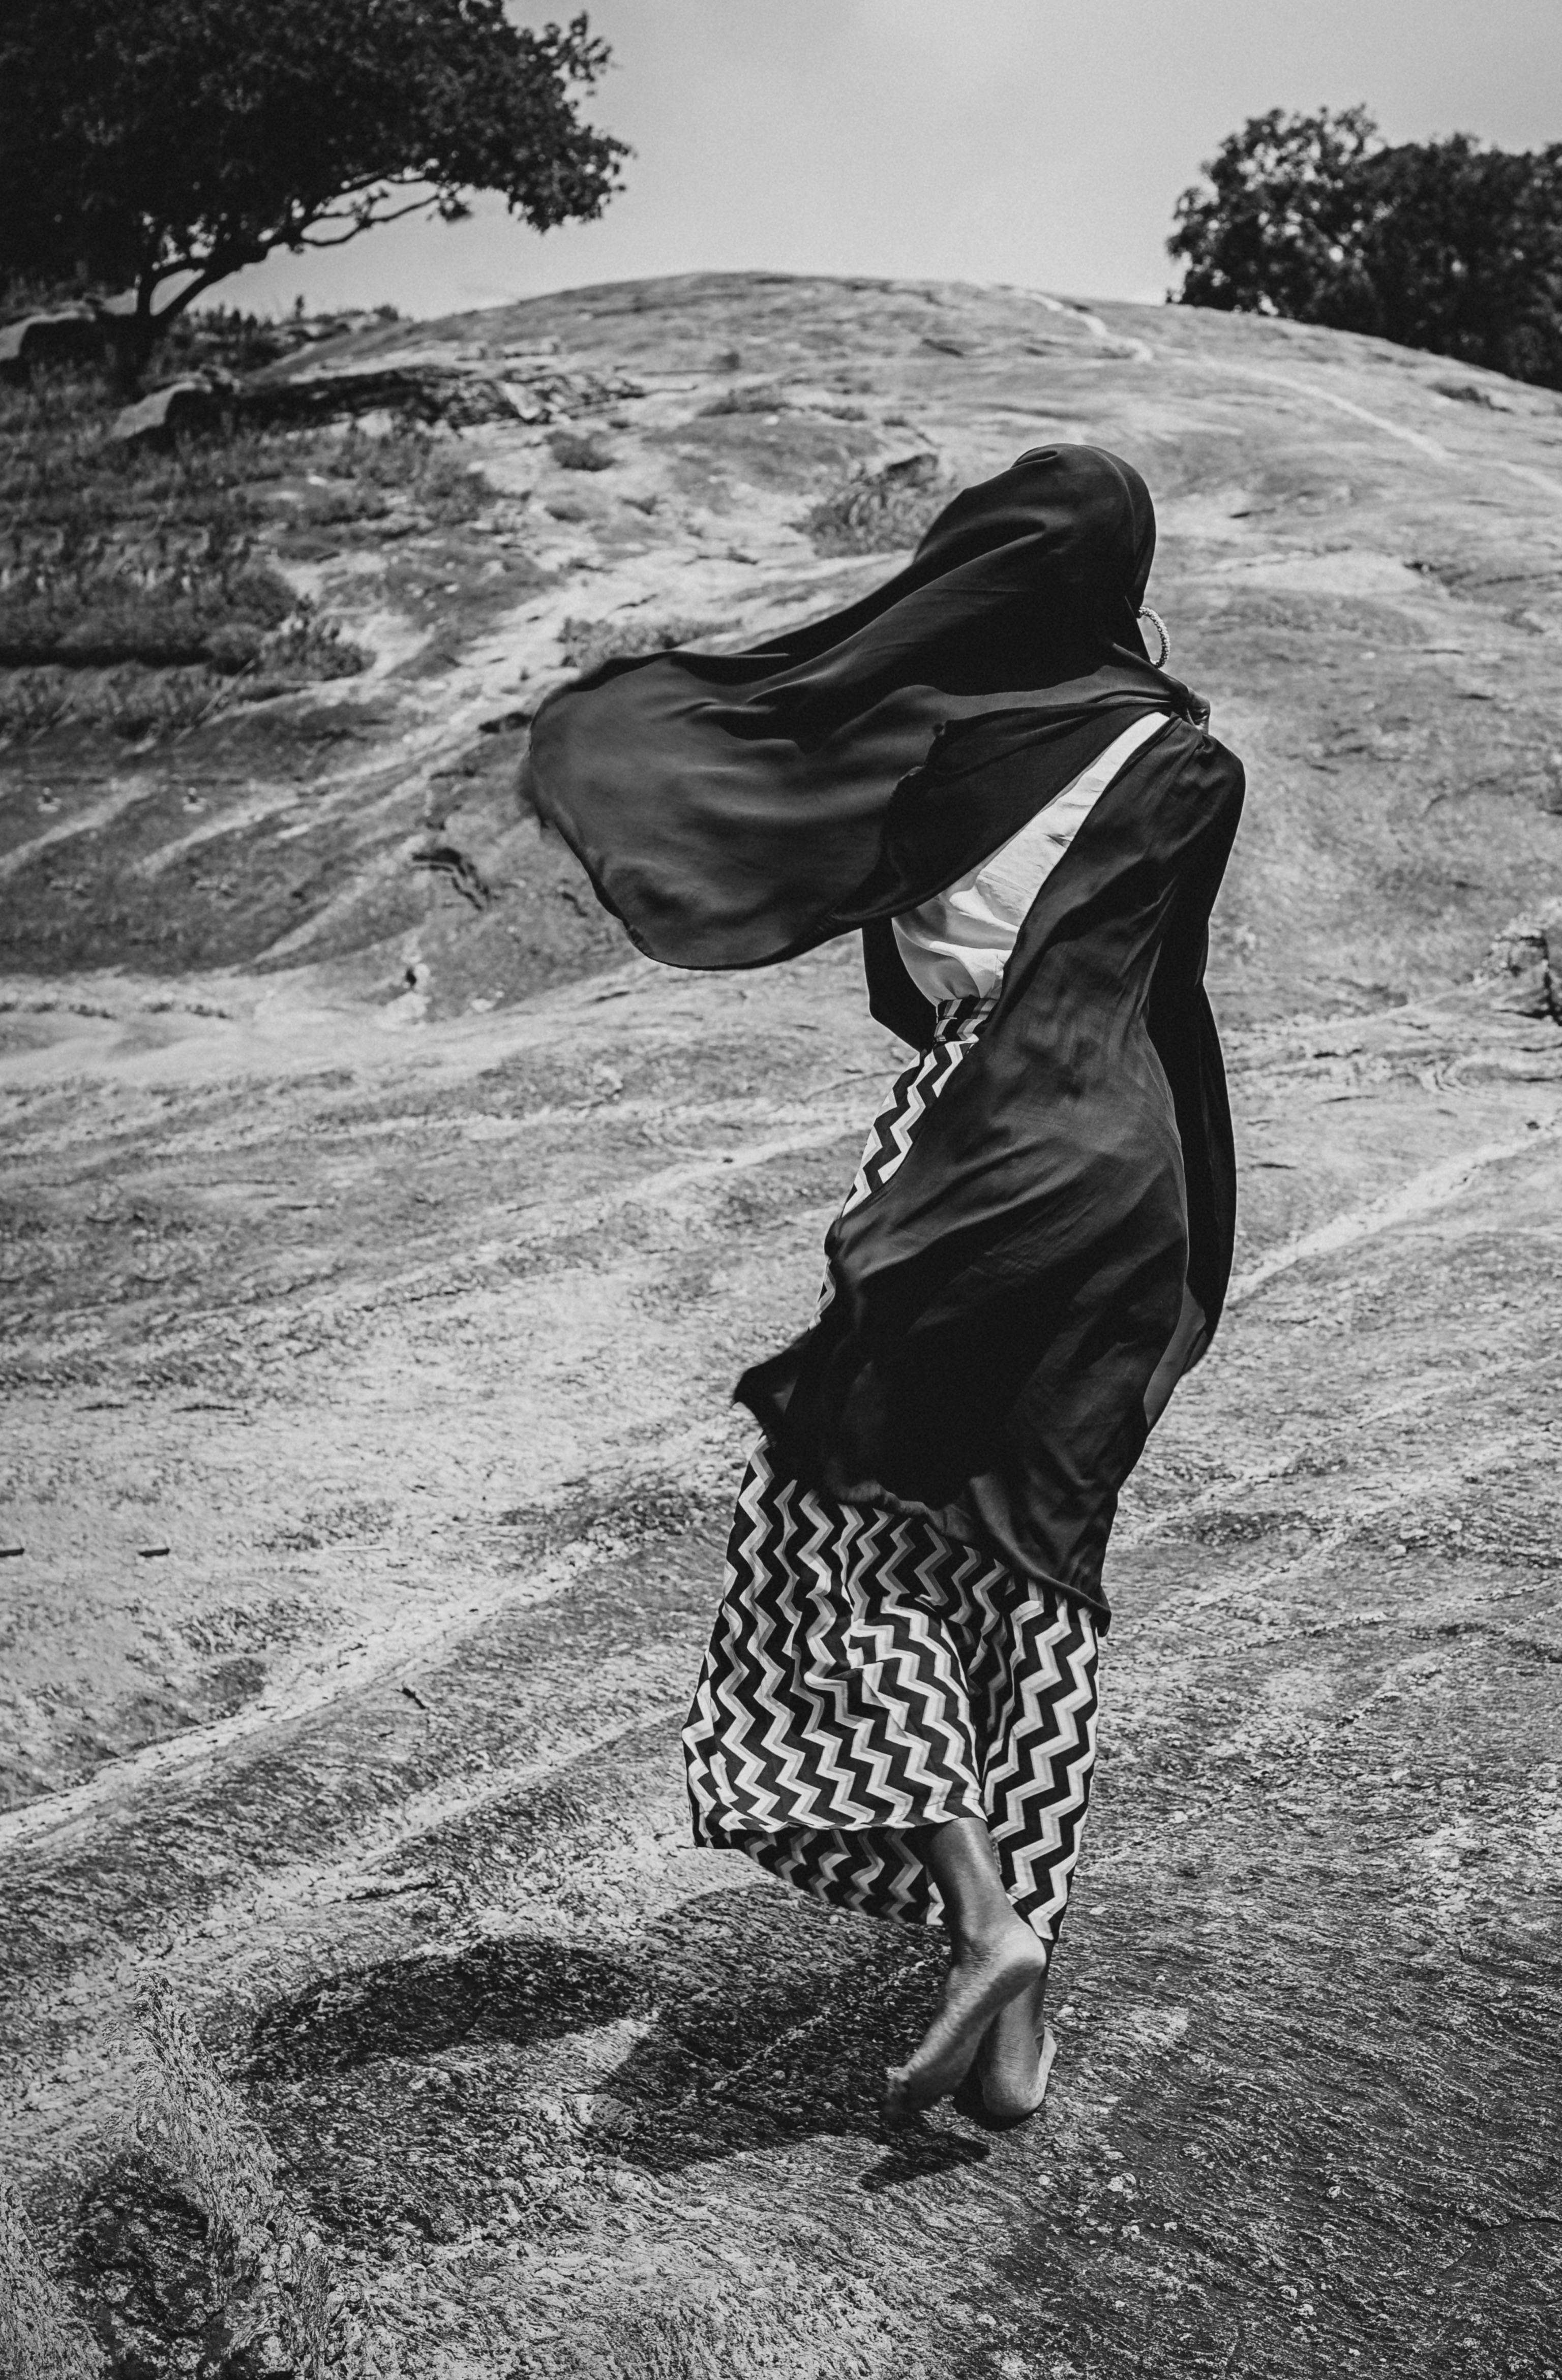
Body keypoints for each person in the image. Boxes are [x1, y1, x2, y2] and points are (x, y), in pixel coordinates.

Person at [522, 444, 1243, 2123]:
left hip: (971, 1156)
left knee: (853, 1535)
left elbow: (894, 985)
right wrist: (1197, 1229)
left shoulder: (925, 745)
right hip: (1125, 1174)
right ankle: (1018, 2026)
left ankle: (984, 1922)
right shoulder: (1190, 758)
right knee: (1041, 1560)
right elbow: (1169, 1000)